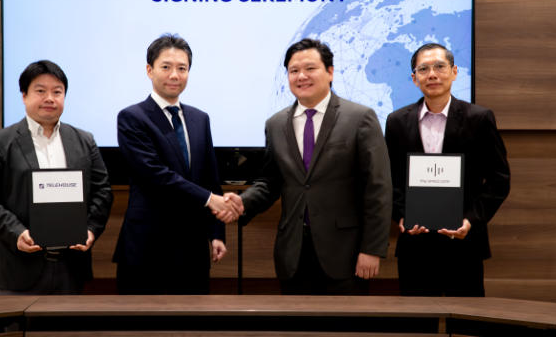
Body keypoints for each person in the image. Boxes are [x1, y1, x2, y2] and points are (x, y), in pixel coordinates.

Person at [220, 38, 392, 296]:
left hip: (346, 254)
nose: (301, 76)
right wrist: (243, 202)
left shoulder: (360, 118)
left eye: (310, 68)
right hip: (293, 254)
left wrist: (371, 249)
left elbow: (378, 188)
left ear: (330, 72)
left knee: (345, 323)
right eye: (294, 70)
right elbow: (269, 182)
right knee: (295, 323)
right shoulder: (275, 124)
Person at [0, 60, 114, 295]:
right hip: (21, 267)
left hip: (71, 267)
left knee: (68, 322)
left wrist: (90, 229)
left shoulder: (84, 141)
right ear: (24, 96)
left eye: (57, 92)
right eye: (40, 91)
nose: (50, 98)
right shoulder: (1, 142)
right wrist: (16, 233)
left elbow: (103, 191)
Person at [112, 34, 235, 295]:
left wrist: (216, 234)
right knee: (141, 320)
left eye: (182, 68)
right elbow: (155, 175)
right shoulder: (132, 117)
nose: (174, 75)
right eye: (166, 67)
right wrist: (209, 200)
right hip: (147, 248)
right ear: (149, 70)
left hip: (193, 249)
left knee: (194, 319)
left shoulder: (200, 119)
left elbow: (210, 179)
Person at [385, 43, 511, 297]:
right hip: (415, 246)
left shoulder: (479, 118)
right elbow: (389, 179)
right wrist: (402, 216)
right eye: (423, 69)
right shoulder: (396, 121)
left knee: (466, 318)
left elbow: (499, 179)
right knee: (417, 318)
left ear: (454, 72)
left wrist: (470, 220)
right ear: (414, 78)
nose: (432, 74)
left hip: (464, 244)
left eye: (439, 66)